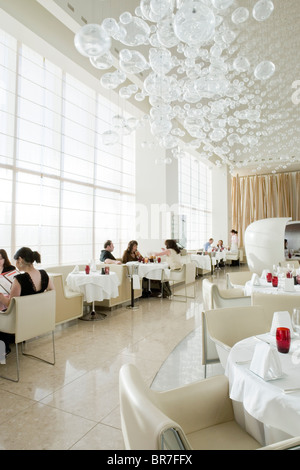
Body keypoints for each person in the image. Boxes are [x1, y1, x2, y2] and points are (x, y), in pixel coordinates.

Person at [0, 247, 55, 355]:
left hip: (19, 321)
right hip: (38, 318)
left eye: (16, 261)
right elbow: (52, 292)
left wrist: (1, 297)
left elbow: (11, 306)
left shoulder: (19, 279)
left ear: (20, 260)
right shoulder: (44, 274)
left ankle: (3, 350)